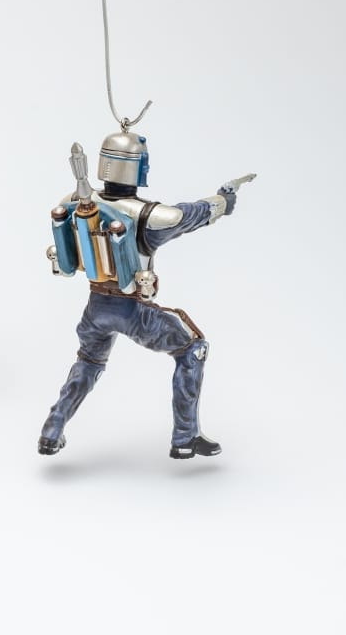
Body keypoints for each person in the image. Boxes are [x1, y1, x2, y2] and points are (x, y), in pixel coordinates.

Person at [39, 129, 247, 459]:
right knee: (193, 349)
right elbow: (185, 216)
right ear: (137, 167)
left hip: (95, 310)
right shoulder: (146, 215)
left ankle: (52, 431)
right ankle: (185, 438)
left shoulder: (74, 202)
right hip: (132, 311)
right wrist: (221, 202)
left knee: (88, 362)